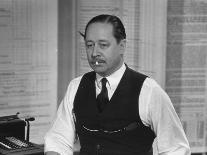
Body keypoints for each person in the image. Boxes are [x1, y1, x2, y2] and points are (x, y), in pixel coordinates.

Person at [44, 14, 191, 155]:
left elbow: (175, 149)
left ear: (122, 45)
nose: (95, 52)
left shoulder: (149, 91)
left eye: (103, 45)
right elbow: (58, 139)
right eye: (89, 45)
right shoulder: (76, 87)